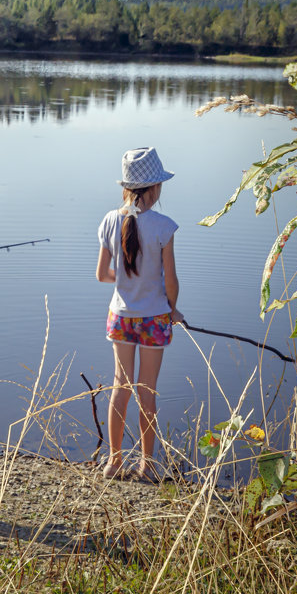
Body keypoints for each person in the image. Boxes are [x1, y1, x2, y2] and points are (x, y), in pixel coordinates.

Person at [96, 147, 182, 481]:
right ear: (155, 188)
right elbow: (171, 279)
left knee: (121, 386)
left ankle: (114, 461)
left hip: (120, 317)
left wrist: (125, 282)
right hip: (154, 320)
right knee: (148, 390)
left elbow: (103, 274)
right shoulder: (164, 226)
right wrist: (172, 309)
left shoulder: (108, 220)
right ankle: (147, 466)